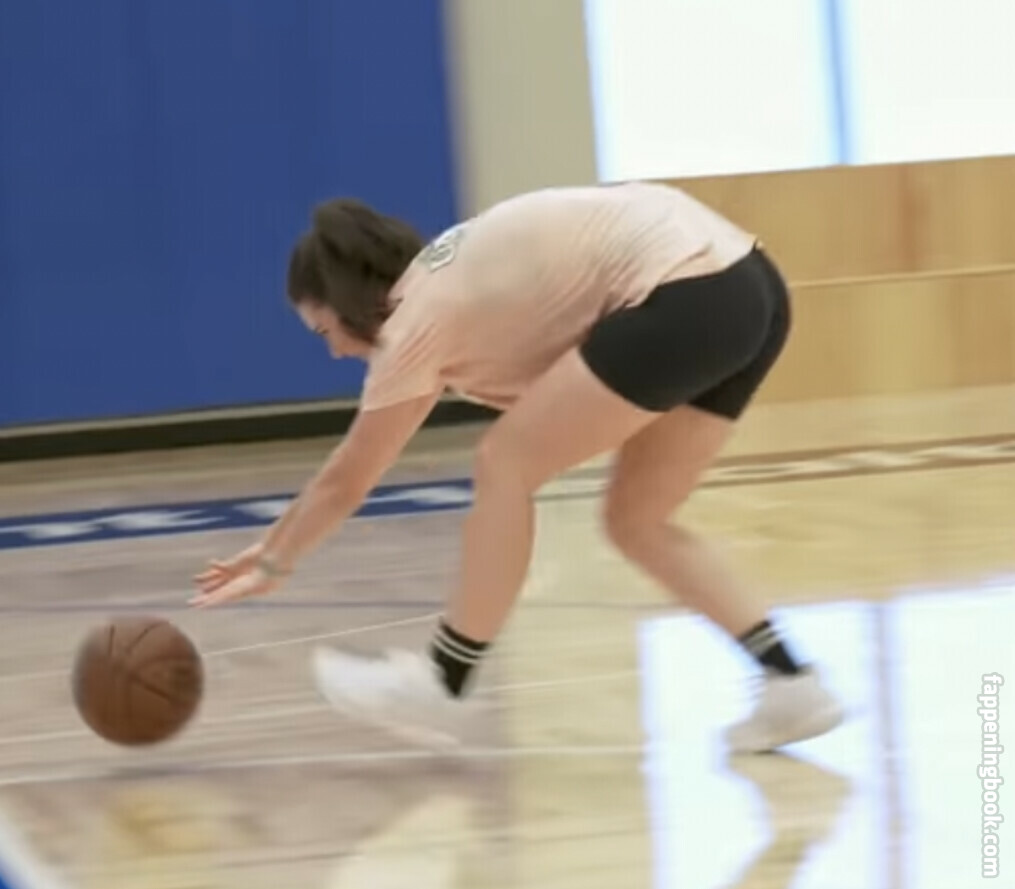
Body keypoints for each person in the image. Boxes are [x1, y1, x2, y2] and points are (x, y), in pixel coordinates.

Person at [190, 181, 844, 753]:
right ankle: (792, 681)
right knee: (635, 519)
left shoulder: (414, 320)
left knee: (503, 462)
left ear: (349, 300)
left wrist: (273, 559)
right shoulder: (449, 277)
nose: (333, 351)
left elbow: (349, 476)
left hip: (688, 289)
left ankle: (443, 681)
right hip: (751, 284)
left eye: (324, 330)